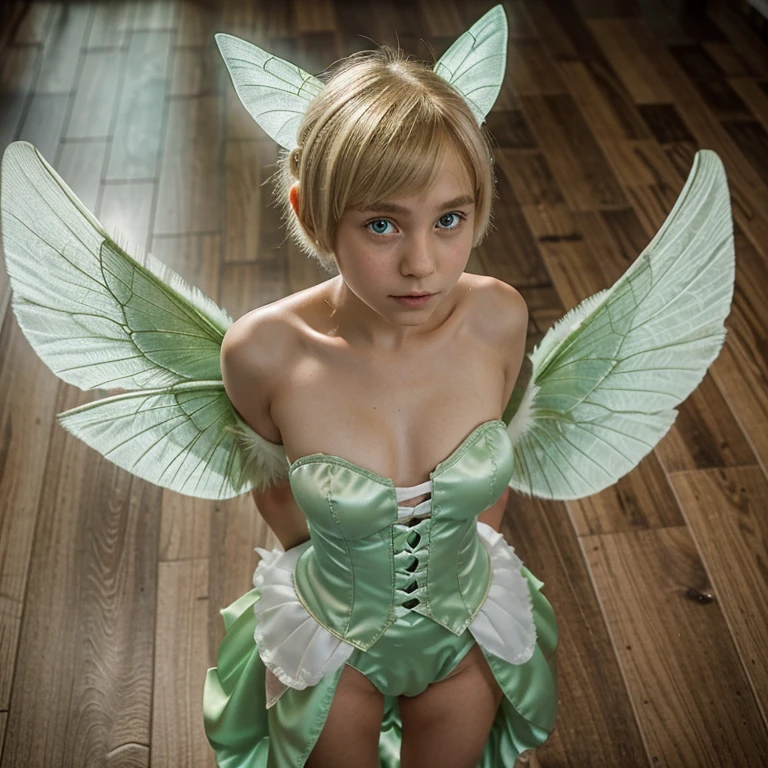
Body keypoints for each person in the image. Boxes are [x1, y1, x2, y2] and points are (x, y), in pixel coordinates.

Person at [203, 38, 559, 768]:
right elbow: (276, 501)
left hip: (465, 636)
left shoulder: (500, 319)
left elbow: (495, 479)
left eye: (450, 219)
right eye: (381, 225)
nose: (422, 263)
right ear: (311, 214)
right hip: (331, 648)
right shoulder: (263, 353)